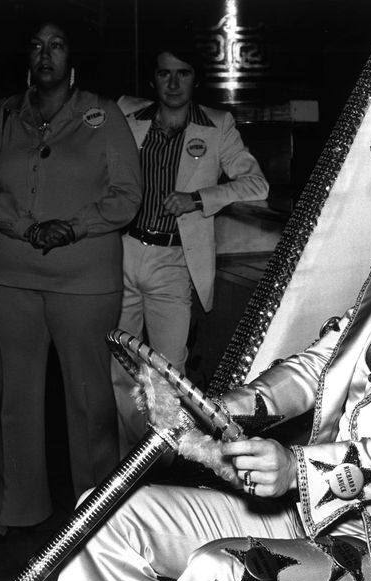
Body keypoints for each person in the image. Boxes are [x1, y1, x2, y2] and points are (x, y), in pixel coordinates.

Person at [53, 96, 371, 581]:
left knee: (221, 570)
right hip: (311, 518)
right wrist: (219, 408)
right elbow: (314, 368)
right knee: (103, 516)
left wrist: (299, 469)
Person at [0, 20, 141, 534]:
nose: (45, 54)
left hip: (83, 282)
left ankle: (98, 513)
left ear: (72, 57)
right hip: (10, 277)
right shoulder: (3, 114)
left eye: (56, 45)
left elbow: (127, 196)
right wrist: (23, 226)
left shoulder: (105, 115)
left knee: (88, 399)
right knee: (16, 398)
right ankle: (17, 507)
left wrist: (72, 228)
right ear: (26, 56)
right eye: (36, 45)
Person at [112, 42, 269, 455]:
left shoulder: (217, 126)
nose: (174, 82)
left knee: (167, 371)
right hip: (122, 251)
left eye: (183, 73)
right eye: (165, 73)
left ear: (196, 79)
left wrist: (197, 198)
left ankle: (163, 462)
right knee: (120, 367)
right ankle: (129, 464)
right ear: (152, 79)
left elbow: (257, 185)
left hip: (173, 260)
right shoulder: (127, 115)